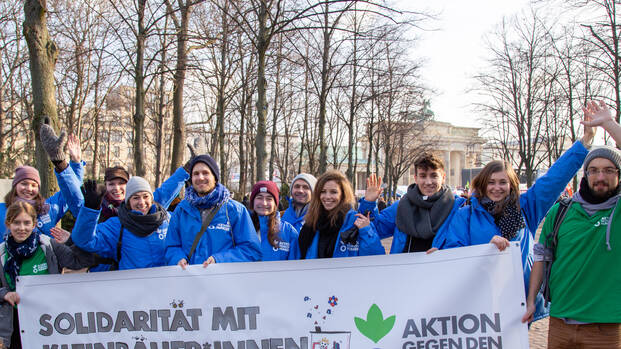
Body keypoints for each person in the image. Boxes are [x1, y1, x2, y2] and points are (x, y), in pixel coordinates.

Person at [442, 113, 597, 322]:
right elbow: (453, 252)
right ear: (482, 184)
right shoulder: (466, 215)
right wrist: (486, 247)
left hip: (519, 300)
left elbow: (554, 179)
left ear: (511, 184)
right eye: (491, 182)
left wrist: (584, 143)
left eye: (502, 182)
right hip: (479, 300)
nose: (497, 188)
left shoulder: (526, 208)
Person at [521, 101, 621, 348]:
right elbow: (542, 258)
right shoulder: (562, 211)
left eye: (609, 170)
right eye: (594, 170)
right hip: (560, 323)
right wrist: (531, 300)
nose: (600, 177)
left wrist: (609, 125)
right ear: (585, 175)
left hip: (605, 326)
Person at [0, 202, 94, 348]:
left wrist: (70, 241)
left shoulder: (48, 246)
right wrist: (4, 294)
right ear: (8, 224)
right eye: (16, 223)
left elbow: (82, 261)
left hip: (48, 321)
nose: (22, 228)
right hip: (15, 324)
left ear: (34, 224)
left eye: (27, 223)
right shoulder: (1, 253)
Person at [165, 155, 261, 268]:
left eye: (205, 173)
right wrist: (177, 258)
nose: (200, 177)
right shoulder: (181, 210)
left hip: (224, 281)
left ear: (215, 177)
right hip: (189, 281)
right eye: (196, 174)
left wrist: (219, 260)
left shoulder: (235, 211)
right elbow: (171, 247)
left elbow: (251, 250)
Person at [360, 154, 466, 253]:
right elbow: (375, 230)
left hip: (439, 269)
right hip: (404, 270)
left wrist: (444, 254)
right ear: (416, 178)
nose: (428, 182)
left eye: (434, 176)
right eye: (423, 176)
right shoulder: (400, 206)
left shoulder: (455, 208)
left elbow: (463, 243)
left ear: (443, 177)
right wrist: (369, 202)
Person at [0, 125, 84, 242]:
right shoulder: (2, 210)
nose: (29, 188)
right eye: (24, 183)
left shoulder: (49, 208)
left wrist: (76, 163)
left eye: (34, 185)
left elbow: (73, 192)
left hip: (44, 259)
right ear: (15, 186)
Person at [72, 177, 173, 270]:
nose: (142, 202)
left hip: (165, 284)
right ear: (128, 201)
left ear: (151, 198)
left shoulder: (167, 219)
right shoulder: (117, 225)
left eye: (145, 196)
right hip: (132, 286)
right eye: (136, 198)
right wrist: (90, 209)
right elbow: (84, 241)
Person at [298, 170, 384, 259]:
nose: (327, 196)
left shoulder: (356, 223)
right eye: (323, 191)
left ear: (343, 194)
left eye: (333, 192)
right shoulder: (310, 225)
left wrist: (366, 231)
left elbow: (375, 257)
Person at [98, 164, 189, 223]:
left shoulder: (141, 205)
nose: (117, 188)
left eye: (121, 183)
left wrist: (185, 171)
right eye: (111, 184)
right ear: (105, 185)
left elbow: (164, 194)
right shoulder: (97, 207)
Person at [249, 181, 300, 261]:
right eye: (259, 197)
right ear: (253, 201)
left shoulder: (288, 232)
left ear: (275, 204)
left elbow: (294, 267)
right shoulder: (242, 228)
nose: (264, 203)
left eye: (269, 199)